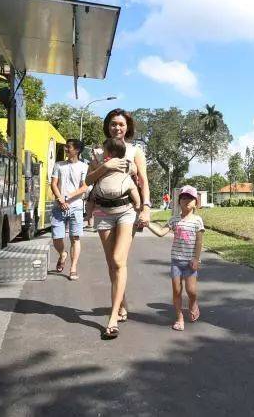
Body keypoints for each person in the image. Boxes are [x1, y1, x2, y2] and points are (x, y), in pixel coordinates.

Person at [86, 109, 152, 339]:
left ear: (128, 127)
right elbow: (88, 180)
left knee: (118, 260)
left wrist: (146, 207)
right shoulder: (97, 152)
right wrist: (105, 166)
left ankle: (112, 318)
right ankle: (121, 303)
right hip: (103, 212)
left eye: (121, 124)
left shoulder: (135, 151)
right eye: (113, 124)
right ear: (108, 126)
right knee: (111, 263)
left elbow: (143, 181)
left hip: (127, 211)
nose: (117, 128)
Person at [147, 186, 204, 331]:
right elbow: (161, 232)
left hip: (190, 262)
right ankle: (179, 318)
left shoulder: (197, 220)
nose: (186, 201)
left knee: (191, 291)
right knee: (177, 291)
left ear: (195, 202)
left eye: (190, 198)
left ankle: (193, 303)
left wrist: (196, 259)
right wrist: (147, 224)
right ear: (179, 202)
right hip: (176, 262)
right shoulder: (174, 220)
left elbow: (199, 242)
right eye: (183, 198)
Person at [50, 139, 89, 281]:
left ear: (77, 150)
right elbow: (53, 184)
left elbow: (84, 187)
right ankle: (62, 254)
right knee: (56, 237)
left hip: (76, 207)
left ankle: (73, 268)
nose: (65, 149)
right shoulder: (58, 165)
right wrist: (60, 199)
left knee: (75, 238)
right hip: (58, 207)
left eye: (68, 147)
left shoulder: (84, 167)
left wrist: (68, 197)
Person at [85, 137, 141, 219]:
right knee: (133, 188)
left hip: (123, 204)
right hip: (104, 203)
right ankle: (138, 203)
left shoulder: (105, 160)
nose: (102, 152)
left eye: (104, 150)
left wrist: (99, 165)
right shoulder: (121, 161)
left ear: (111, 153)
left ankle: (89, 213)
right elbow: (132, 170)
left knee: (91, 197)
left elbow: (133, 170)